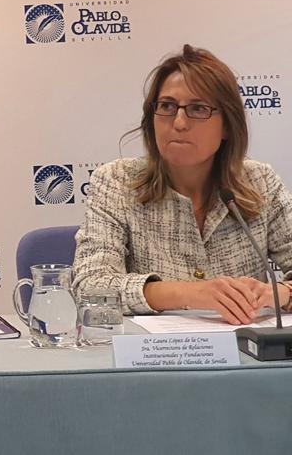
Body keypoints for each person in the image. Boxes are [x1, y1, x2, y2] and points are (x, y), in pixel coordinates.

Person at [74, 44, 292, 325]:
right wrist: (190, 293)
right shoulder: (117, 182)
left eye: (198, 109)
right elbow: (90, 287)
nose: (178, 122)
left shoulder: (260, 182)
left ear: (227, 126)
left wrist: (280, 294)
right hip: (153, 362)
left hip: (242, 362)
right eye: (166, 106)